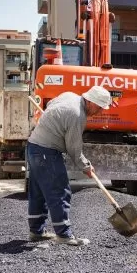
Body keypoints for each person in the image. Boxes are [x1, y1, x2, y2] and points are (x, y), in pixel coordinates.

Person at [25, 86, 112, 246]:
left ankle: (36, 232)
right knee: (60, 190)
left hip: (33, 147)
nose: (99, 112)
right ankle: (64, 235)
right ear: (91, 102)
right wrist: (85, 166)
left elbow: (51, 104)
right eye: (99, 108)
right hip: (46, 152)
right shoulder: (77, 115)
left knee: (38, 192)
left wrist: (55, 121)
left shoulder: (69, 96)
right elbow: (74, 148)